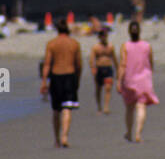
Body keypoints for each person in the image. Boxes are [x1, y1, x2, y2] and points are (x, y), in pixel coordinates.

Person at [41, 18, 82, 147]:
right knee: (67, 108)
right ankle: (65, 136)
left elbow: (47, 64)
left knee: (56, 109)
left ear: (57, 29)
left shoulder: (51, 44)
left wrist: (44, 82)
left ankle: (57, 139)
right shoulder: (74, 43)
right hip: (70, 76)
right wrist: (78, 79)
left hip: (56, 77)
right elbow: (79, 64)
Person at [117, 20, 159, 142]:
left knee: (129, 108)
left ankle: (129, 132)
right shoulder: (147, 46)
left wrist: (119, 81)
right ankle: (138, 133)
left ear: (129, 32)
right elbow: (151, 63)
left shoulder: (125, 46)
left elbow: (122, 64)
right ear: (139, 31)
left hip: (129, 80)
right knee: (141, 106)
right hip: (144, 80)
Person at [89, 28, 117, 113]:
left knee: (108, 88)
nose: (104, 38)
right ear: (100, 37)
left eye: (105, 36)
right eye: (103, 36)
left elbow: (114, 58)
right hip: (99, 69)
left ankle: (106, 106)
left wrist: (118, 69)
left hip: (108, 68)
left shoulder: (110, 46)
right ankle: (99, 107)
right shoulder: (96, 47)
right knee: (98, 89)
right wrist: (93, 68)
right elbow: (92, 59)